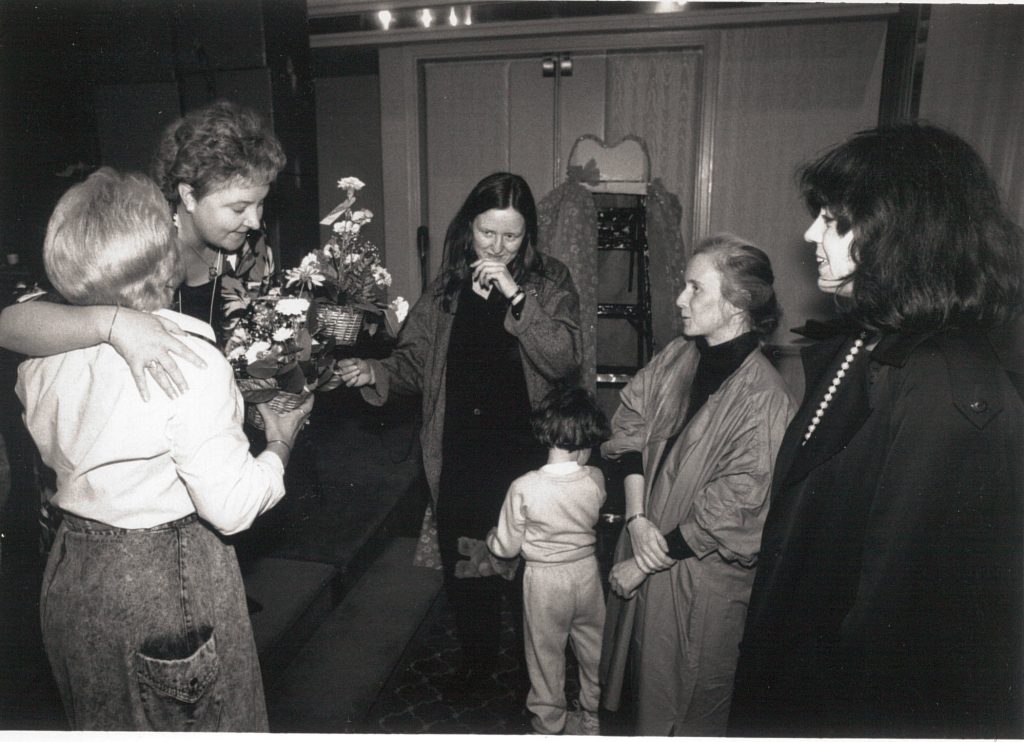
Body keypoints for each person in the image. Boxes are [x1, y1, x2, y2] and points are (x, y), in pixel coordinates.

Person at [728, 123, 1024, 738]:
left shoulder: (945, 385)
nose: (811, 232)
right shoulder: (868, 337)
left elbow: (901, 628)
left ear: (902, 233)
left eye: (834, 220)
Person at [15, 169, 313, 730]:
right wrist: (279, 442)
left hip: (74, 568)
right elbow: (232, 506)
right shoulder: (188, 359)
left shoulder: (42, 355)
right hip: (165, 579)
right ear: (163, 258)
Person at [337, 172, 582, 696]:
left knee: (526, 571)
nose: (497, 247)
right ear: (469, 227)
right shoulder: (449, 287)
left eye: (511, 236)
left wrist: (516, 295)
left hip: (527, 457)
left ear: (528, 235)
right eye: (486, 233)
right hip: (462, 455)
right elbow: (412, 364)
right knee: (470, 566)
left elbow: (563, 360)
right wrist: (373, 372)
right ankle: (477, 661)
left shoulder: (550, 281)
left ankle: (535, 674)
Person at [600, 234, 796, 735]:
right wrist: (638, 519)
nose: (680, 300)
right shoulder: (676, 356)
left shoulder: (765, 399)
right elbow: (628, 430)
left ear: (736, 305)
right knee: (634, 699)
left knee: (685, 710)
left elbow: (733, 512)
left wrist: (642, 561)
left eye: (695, 288)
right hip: (645, 549)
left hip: (697, 586)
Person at [0, 99, 286, 399]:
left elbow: (261, 336)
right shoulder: (136, 236)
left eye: (261, 203)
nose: (254, 221)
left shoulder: (249, 244)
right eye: (239, 207)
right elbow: (9, 325)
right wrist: (111, 324)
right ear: (188, 196)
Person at [483, 385, 609, 735]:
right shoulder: (595, 480)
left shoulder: (524, 486)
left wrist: (493, 537)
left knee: (544, 654)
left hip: (544, 581)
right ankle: (593, 717)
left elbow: (506, 548)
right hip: (586, 575)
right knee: (593, 649)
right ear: (585, 442)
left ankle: (549, 724)